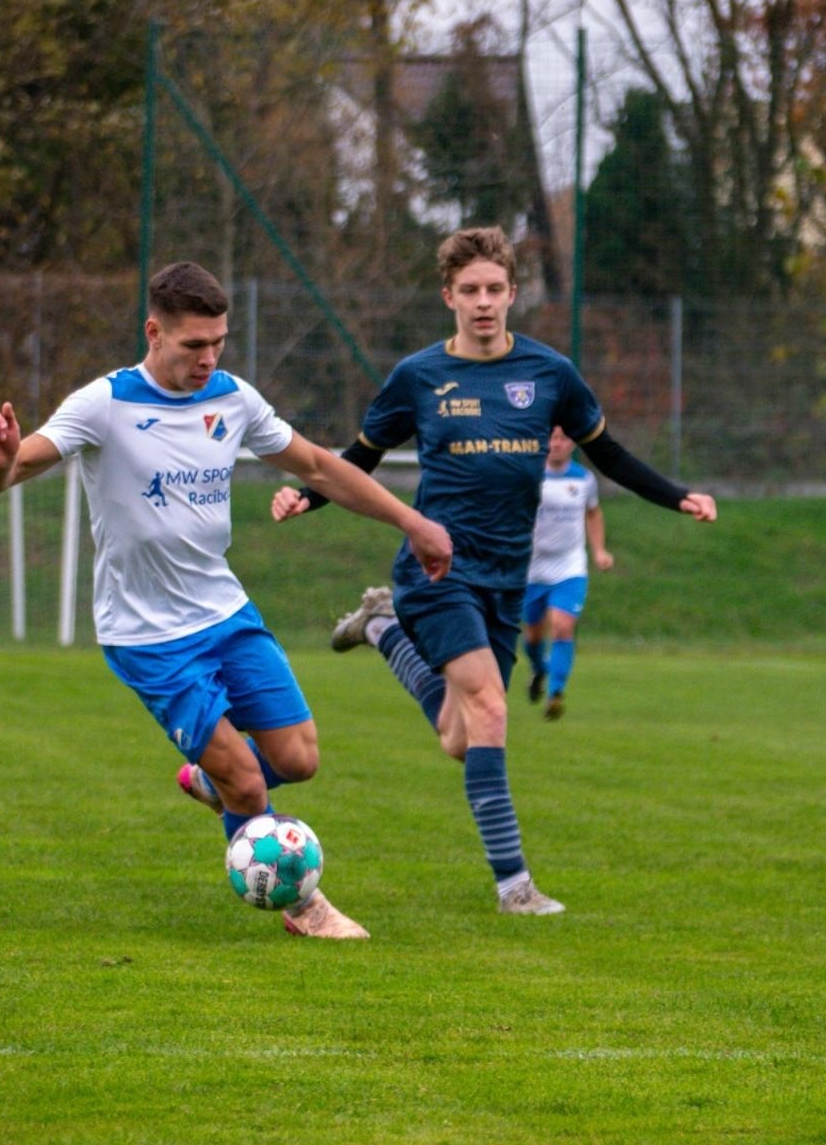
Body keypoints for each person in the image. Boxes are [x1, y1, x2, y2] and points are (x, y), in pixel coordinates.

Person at [0, 261, 452, 941]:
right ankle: (302, 904)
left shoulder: (231, 399)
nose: (209, 358)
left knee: (299, 760)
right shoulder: (103, 404)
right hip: (148, 636)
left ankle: (210, 778)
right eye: (194, 345)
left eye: (218, 342)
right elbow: (17, 466)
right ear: (154, 331)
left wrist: (412, 520)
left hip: (225, 613)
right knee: (251, 786)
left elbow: (318, 466)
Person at [272, 227, 716, 915]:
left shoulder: (550, 374)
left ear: (513, 294)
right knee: (492, 707)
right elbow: (355, 455)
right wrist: (305, 496)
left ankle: (383, 629)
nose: (483, 302)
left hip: (510, 576)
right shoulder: (418, 376)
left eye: (495, 290)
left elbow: (611, 454)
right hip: (438, 569)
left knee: (461, 736)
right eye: (470, 291)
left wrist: (675, 495)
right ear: (448, 296)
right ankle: (515, 886)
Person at [522, 426, 614, 721]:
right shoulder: (530, 476)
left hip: (570, 566)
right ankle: (540, 670)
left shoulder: (584, 480)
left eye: (563, 438)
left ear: (572, 442)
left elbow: (593, 513)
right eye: (551, 437)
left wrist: (599, 550)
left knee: (562, 626)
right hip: (532, 569)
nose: (556, 444)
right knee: (533, 635)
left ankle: (556, 693)